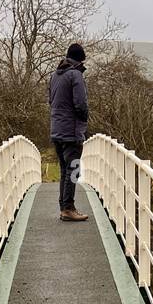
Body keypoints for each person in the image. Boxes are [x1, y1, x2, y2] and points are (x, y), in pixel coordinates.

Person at [49, 42, 89, 222]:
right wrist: (84, 118)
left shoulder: (55, 76)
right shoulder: (76, 76)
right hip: (71, 132)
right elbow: (80, 104)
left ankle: (63, 206)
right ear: (80, 59)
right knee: (74, 170)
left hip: (57, 130)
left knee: (65, 170)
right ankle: (68, 208)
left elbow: (51, 101)